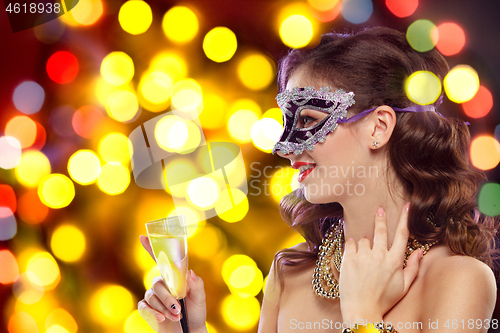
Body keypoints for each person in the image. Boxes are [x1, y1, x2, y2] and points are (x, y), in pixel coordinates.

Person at [137, 27, 498, 333]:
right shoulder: (288, 273)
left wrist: (363, 316)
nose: (284, 147)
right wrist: (188, 328)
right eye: (285, 122)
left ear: (379, 126)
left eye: (308, 120)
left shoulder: (459, 279)